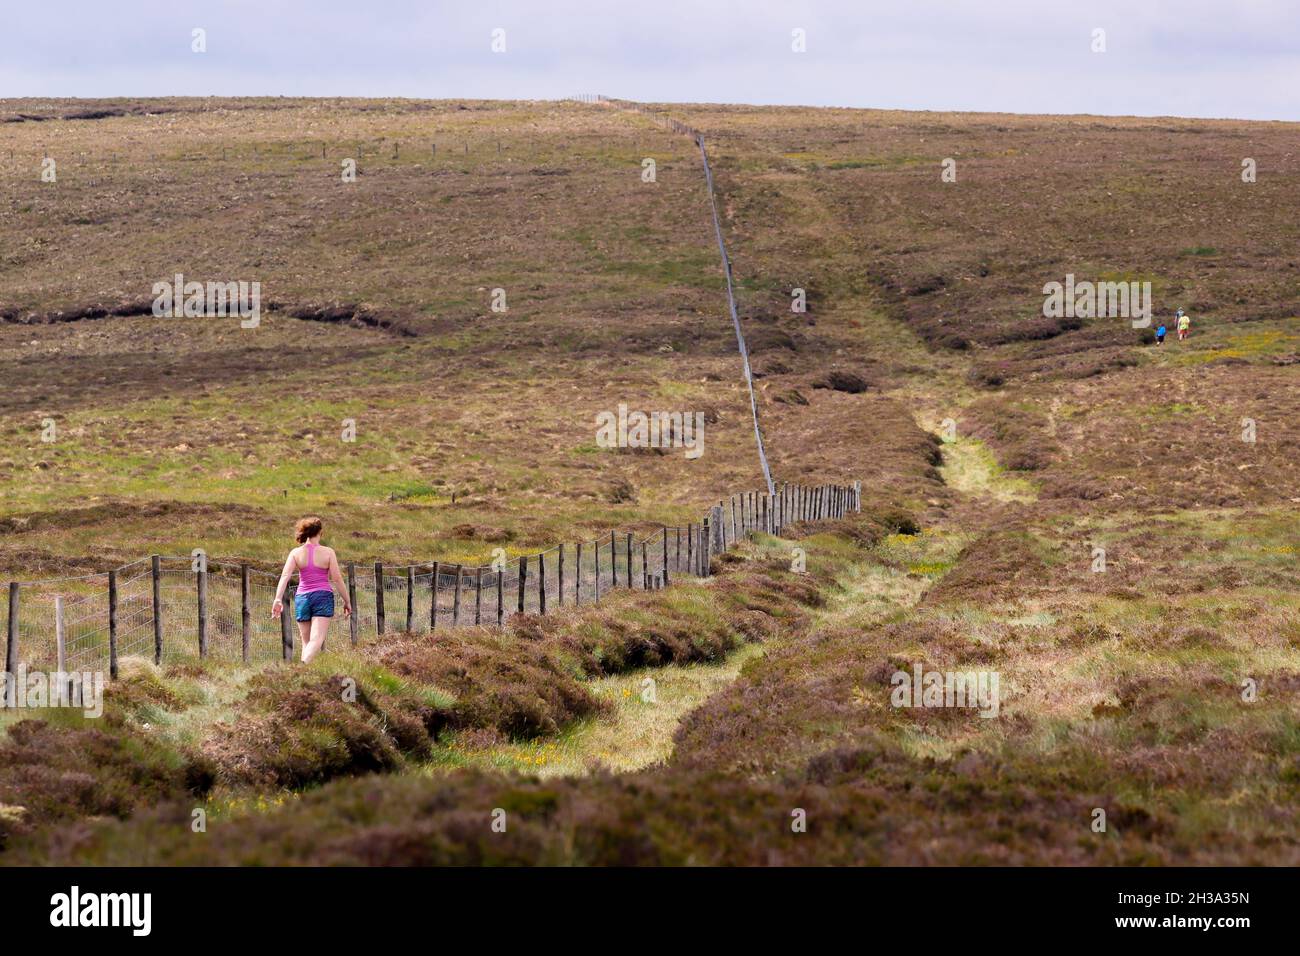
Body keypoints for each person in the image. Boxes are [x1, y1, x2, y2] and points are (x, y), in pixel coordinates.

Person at [272, 516, 351, 663]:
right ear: (320, 532)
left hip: (302, 598)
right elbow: (337, 579)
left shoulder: (295, 553)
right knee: (316, 640)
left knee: (306, 643)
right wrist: (347, 600)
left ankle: (301, 676)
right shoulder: (328, 552)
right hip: (322, 596)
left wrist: (277, 599)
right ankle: (301, 667)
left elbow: (285, 576)